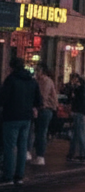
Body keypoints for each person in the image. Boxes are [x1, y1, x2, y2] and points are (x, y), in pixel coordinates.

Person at [1, 57, 41, 185]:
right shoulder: (32, 81)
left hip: (11, 116)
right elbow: (38, 100)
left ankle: (8, 175)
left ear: (12, 67)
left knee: (10, 146)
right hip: (26, 117)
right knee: (22, 146)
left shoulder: (11, 80)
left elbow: (3, 98)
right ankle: (19, 175)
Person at [33, 65, 57, 165]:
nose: (35, 73)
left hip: (45, 109)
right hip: (43, 109)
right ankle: (37, 154)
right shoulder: (40, 81)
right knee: (39, 132)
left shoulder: (45, 81)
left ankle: (40, 156)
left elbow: (42, 96)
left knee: (41, 132)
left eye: (37, 71)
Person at [67, 73, 85, 163]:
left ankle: (82, 155)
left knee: (81, 134)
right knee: (79, 134)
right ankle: (76, 153)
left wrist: (74, 110)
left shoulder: (80, 89)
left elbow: (76, 100)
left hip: (81, 113)